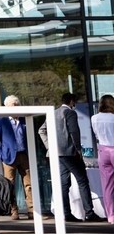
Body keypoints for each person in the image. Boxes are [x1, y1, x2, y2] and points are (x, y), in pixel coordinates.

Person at [38, 92, 101, 222]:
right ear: (72, 101)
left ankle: (66, 213)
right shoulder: (70, 113)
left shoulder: (54, 113)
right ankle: (89, 212)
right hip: (69, 153)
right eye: (74, 102)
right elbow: (74, 132)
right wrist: (78, 150)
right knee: (82, 181)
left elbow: (41, 130)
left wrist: (50, 146)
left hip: (57, 154)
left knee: (64, 184)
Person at [0, 95, 39, 220]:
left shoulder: (24, 120)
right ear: (7, 107)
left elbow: (31, 136)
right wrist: (0, 154)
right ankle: (14, 211)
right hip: (8, 157)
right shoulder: (1, 121)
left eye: (16, 105)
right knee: (10, 185)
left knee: (29, 184)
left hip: (24, 155)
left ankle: (32, 210)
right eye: (13, 106)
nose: (15, 108)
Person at [91, 94, 114, 224]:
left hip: (103, 150)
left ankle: (111, 216)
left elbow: (96, 134)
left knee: (107, 186)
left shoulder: (94, 118)